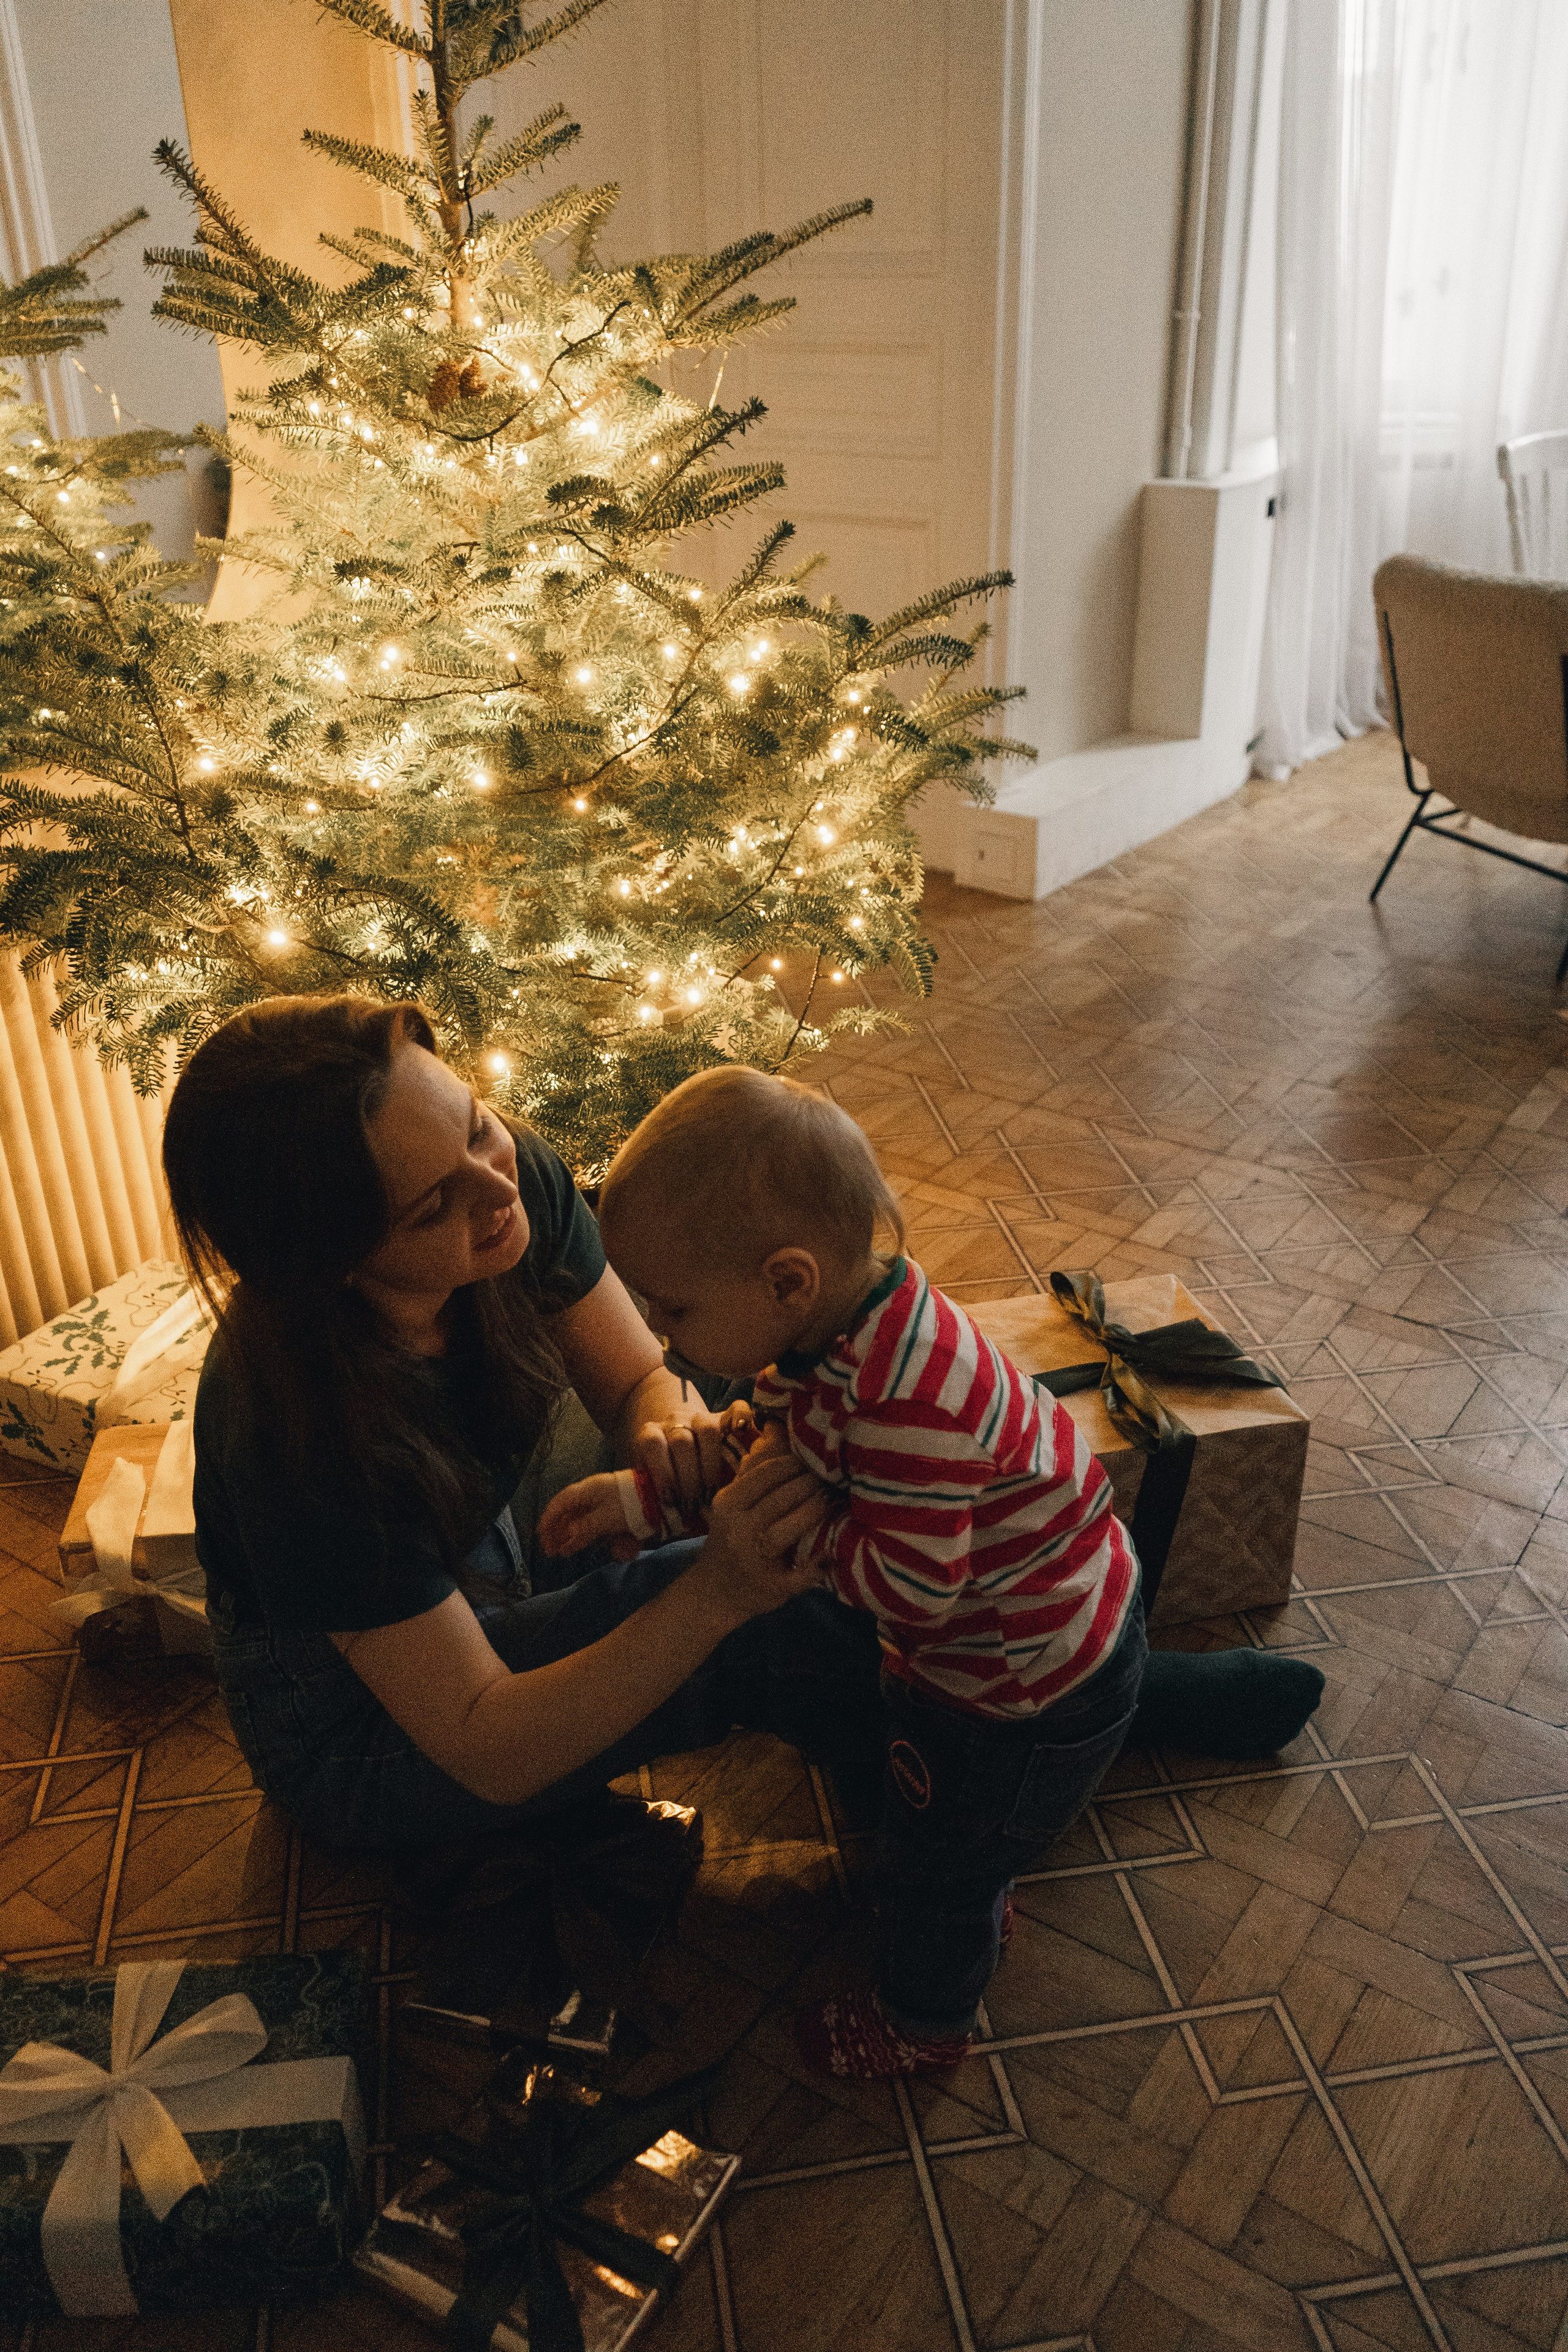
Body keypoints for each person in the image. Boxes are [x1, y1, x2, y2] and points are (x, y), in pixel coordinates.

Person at [542, 1066, 1320, 2081]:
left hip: (1010, 1685)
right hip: (1061, 1614)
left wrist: (784, 1542)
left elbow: (914, 1592)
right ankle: (1162, 1714)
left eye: (672, 1307)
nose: (656, 1332)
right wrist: (645, 1503)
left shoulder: (915, 1405)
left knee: (936, 1861)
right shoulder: (840, 1330)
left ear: (786, 1282)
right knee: (976, 1785)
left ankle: (927, 2018)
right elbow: (774, 1444)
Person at [165, 995, 891, 1856]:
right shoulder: (297, 1432)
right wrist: (717, 1592)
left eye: (477, 1129)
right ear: (332, 1260)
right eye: (432, 1207)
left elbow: (638, 1385)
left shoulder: (493, 1187)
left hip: (484, 1548)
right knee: (759, 1607)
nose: (499, 1187)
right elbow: (485, 1745)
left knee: (748, 1353)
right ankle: (969, 1776)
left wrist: (668, 1442)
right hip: (359, 1732)